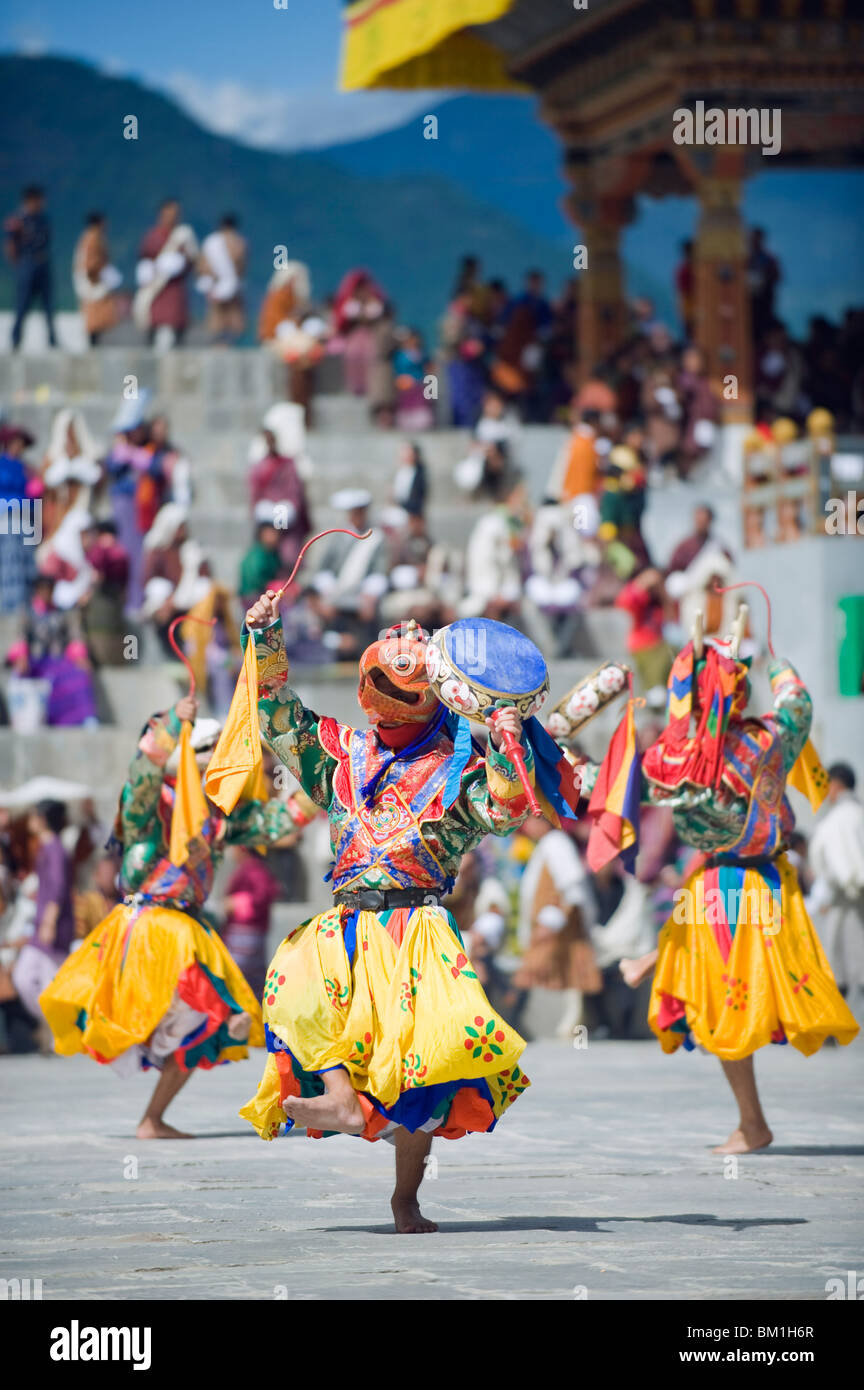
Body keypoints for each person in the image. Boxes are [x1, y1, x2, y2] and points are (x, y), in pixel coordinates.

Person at [240, 602, 535, 1232]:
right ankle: (342, 1100)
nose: (382, 696)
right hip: (343, 926)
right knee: (292, 989)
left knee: (418, 1075)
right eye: (378, 681)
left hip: (416, 933)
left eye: (398, 685)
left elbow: (510, 808)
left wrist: (508, 733)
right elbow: (274, 711)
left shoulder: (461, 770)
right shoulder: (341, 754)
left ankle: (406, 1198)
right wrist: (265, 633)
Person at [585, 633, 859, 1153]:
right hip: (770, 881)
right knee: (738, 996)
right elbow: (798, 700)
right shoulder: (771, 737)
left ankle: (751, 1122)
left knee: (722, 1005)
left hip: (722, 884)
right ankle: (650, 963)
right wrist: (776, 660)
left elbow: (618, 781)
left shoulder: (675, 757)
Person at [39, 697, 315, 1138]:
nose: (223, 761)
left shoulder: (219, 816)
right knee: (217, 1013)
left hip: (186, 927)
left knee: (208, 1032)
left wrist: (325, 784)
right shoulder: (148, 804)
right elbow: (143, 770)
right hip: (149, 926)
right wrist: (171, 723)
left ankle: (153, 1118)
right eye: (209, 751)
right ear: (185, 753)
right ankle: (207, 1034)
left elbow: (279, 820)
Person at [511, 816, 601, 1038]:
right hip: (551, 924)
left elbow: (572, 884)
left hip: (558, 925)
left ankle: (518, 1020)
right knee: (567, 972)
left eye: (533, 820)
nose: (528, 826)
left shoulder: (557, 843)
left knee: (568, 971)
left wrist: (555, 919)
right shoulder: (547, 845)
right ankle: (570, 1022)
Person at [12, 801, 75, 1033]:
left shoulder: (56, 849)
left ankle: (60, 1030)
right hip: (42, 926)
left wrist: (49, 921)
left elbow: (58, 888)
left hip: (53, 926)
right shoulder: (47, 847)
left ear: (43, 818)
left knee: (50, 981)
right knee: (25, 977)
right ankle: (56, 1026)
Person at [808, 763, 864, 1020]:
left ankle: (833, 1024)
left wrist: (828, 895)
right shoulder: (857, 813)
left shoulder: (840, 819)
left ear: (836, 785)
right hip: (849, 897)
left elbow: (843, 865)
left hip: (847, 900)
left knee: (842, 963)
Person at [134, 199, 198, 348]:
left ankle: (178, 348)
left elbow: (193, 259)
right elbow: (145, 255)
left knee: (177, 322)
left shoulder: (183, 236)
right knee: (152, 321)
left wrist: (181, 263)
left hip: (175, 287)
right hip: (155, 286)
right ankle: (149, 349)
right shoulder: (153, 236)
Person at [6, 185, 56, 350]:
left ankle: (52, 340)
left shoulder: (42, 219)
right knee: (22, 304)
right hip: (27, 264)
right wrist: (19, 265)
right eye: (37, 201)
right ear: (29, 201)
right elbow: (10, 245)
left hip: (42, 264)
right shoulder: (18, 220)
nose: (40, 204)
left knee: (48, 305)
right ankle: (15, 339)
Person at [0, 424, 37, 613]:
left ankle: (23, 607)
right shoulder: (2, 465)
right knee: (7, 563)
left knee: (24, 566)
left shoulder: (26, 469)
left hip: (25, 521)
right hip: (5, 521)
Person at [73, 212, 122, 346]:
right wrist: (99, 277)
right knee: (96, 316)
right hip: (93, 283)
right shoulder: (93, 238)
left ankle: (95, 342)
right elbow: (91, 263)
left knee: (96, 317)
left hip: (92, 281)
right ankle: (94, 343)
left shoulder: (88, 237)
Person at [197, 214, 247, 344]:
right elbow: (241, 267)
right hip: (228, 286)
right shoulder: (238, 242)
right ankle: (226, 343)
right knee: (229, 317)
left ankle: (221, 343)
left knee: (221, 317)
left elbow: (202, 266)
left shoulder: (212, 242)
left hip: (220, 285)